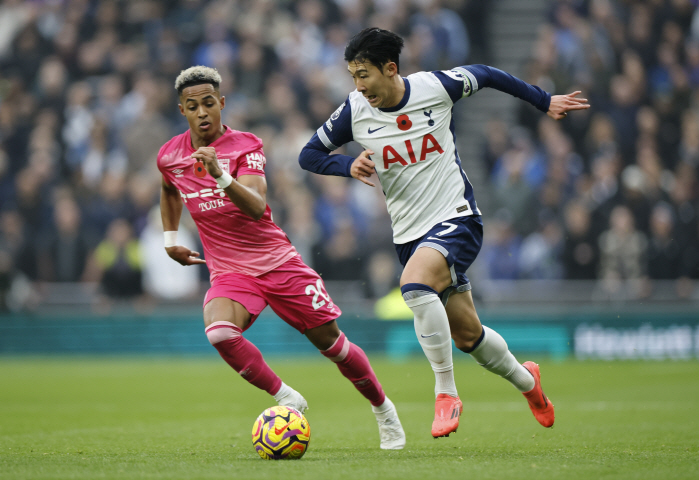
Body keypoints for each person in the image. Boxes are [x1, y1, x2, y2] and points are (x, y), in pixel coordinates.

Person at [299, 28, 590, 438]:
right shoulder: (354, 111)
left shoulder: (435, 87)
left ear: (390, 68)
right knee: (469, 336)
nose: (359, 86)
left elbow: (488, 74)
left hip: (457, 217)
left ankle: (446, 393)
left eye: (363, 75)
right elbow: (308, 155)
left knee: (414, 286)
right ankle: (530, 383)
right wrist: (346, 166)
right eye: (352, 77)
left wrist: (544, 101)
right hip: (410, 236)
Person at [157, 66, 405, 450]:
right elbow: (169, 188)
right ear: (182, 111)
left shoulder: (246, 146)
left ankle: (383, 409)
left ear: (222, 104)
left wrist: (220, 175)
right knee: (220, 331)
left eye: (209, 103)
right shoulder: (170, 155)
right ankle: (287, 397)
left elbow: (256, 207)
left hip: (277, 263)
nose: (203, 112)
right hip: (231, 272)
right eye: (193, 106)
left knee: (333, 345)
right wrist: (171, 237)